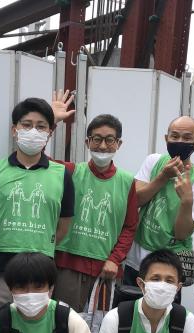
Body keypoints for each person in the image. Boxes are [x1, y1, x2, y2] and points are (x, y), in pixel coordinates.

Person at [0, 98, 74, 324]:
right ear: (14, 130)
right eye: (26, 124)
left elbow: (63, 227)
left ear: (50, 132)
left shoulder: (62, 175)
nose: (33, 131)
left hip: (40, 279)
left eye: (41, 126)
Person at [49, 102, 139, 312]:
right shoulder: (70, 172)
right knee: (64, 326)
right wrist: (52, 122)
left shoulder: (127, 182)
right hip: (67, 267)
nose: (103, 145)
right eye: (97, 139)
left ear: (119, 144)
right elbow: (36, 159)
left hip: (105, 271)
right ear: (87, 142)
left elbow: (130, 227)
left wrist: (115, 259)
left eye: (110, 140)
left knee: (97, 332)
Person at [120, 116, 194, 302]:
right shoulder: (153, 161)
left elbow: (182, 233)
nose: (180, 142)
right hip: (136, 258)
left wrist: (186, 201)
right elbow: (136, 201)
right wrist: (162, 177)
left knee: (164, 318)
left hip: (168, 267)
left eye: (187, 138)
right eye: (174, 136)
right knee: (128, 314)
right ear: (165, 138)